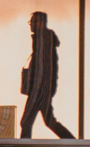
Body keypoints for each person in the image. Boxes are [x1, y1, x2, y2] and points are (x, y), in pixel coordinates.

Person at [19, 11, 75, 139]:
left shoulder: (43, 38)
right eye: (31, 22)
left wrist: (38, 89)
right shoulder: (43, 38)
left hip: (40, 88)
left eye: (33, 22)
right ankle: (72, 142)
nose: (31, 25)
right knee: (49, 122)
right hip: (44, 88)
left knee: (26, 122)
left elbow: (42, 67)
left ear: (41, 23)